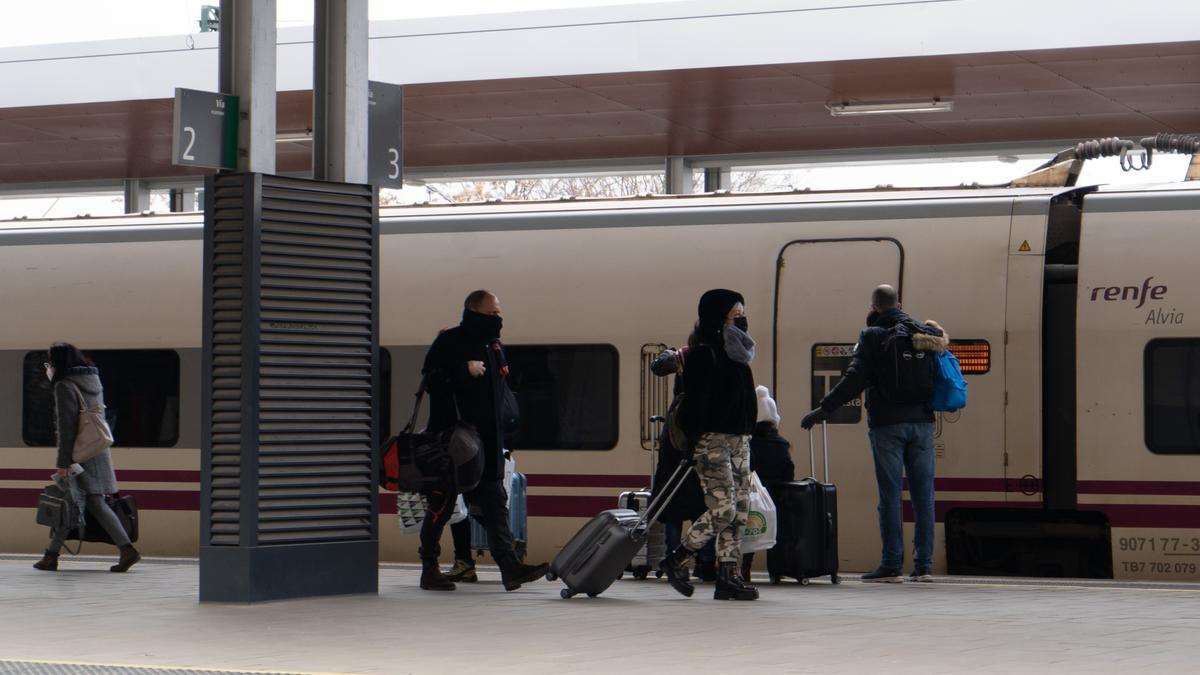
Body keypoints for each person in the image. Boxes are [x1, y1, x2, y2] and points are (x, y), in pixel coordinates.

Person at [800, 284, 947, 583]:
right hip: (923, 423)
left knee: (890, 496)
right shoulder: (926, 334)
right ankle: (924, 566)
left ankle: (892, 565)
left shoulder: (872, 336)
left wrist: (824, 409)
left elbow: (855, 379)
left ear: (874, 307)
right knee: (923, 497)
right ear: (900, 304)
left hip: (887, 426)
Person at [416, 290, 548, 591]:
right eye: (492, 313)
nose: (498, 318)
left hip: (487, 442)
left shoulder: (494, 346)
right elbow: (431, 381)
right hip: (453, 443)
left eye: (499, 313)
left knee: (494, 502)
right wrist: (464, 370)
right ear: (473, 311)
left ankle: (509, 567)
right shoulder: (450, 341)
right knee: (442, 505)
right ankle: (429, 568)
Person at [658, 289, 759, 601]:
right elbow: (694, 406)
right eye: (735, 314)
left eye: (742, 314)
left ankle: (729, 574)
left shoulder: (738, 352)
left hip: (740, 439)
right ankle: (677, 558)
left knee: (741, 509)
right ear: (719, 316)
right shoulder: (703, 353)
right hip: (712, 441)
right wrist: (693, 442)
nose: (741, 320)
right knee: (723, 509)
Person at [33, 342, 140, 573]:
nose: (48, 366)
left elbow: (67, 428)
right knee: (75, 502)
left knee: (82, 501)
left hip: (78, 454)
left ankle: (126, 549)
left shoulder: (64, 386)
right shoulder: (93, 381)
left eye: (50, 361)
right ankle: (51, 556)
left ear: (58, 362)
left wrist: (63, 463)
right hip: (96, 449)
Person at [650, 347, 717, 581]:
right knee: (706, 508)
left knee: (673, 511)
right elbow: (660, 365)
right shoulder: (710, 359)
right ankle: (706, 562)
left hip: (675, 453)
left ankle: (675, 561)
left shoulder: (687, 358)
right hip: (697, 452)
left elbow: (659, 366)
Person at [741, 386, 794, 580]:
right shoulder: (782, 444)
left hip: (752, 495)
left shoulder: (748, 442)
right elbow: (789, 470)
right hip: (777, 495)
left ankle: (744, 569)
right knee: (774, 531)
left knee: (749, 531)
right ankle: (776, 570)